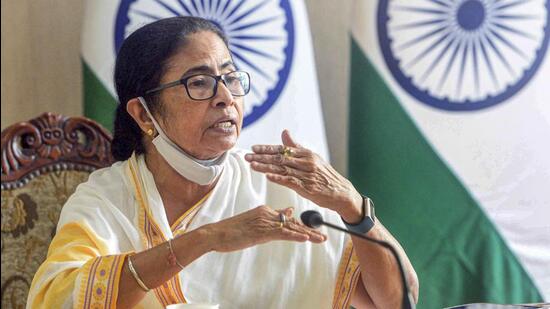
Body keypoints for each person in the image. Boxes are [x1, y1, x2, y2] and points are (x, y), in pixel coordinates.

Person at [28, 16, 418, 309]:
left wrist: (352, 207)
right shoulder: (105, 202)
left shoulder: (280, 185)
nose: (225, 97)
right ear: (145, 115)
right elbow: (57, 299)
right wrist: (205, 240)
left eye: (230, 79)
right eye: (198, 83)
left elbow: (399, 299)